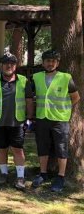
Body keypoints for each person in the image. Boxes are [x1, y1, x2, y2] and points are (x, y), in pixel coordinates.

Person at [31, 49, 80, 192]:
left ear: (57, 63)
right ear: (43, 62)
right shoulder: (36, 77)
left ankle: (60, 176)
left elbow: (75, 97)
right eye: (47, 61)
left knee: (61, 148)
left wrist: (65, 110)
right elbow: (28, 95)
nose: (50, 63)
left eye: (53, 61)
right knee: (42, 146)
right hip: (42, 118)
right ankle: (43, 174)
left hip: (60, 120)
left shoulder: (66, 77)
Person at [0, 53, 33, 190]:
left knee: (18, 149)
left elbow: (29, 101)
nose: (9, 66)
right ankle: (3, 173)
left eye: (11, 63)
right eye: (6, 63)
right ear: (1, 66)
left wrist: (29, 118)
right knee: (1, 148)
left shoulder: (24, 81)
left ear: (15, 66)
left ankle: (20, 177)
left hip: (17, 122)